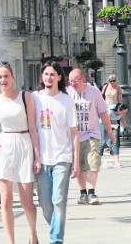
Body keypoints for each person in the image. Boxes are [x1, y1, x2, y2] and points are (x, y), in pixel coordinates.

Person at [0, 61, 40, 244]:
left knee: (27, 201)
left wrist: (37, 156)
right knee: (6, 200)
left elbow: (33, 128)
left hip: (24, 143)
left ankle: (33, 235)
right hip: (4, 147)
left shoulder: (26, 97)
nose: (3, 80)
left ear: (13, 77)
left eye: (6, 76)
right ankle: (11, 241)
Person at [32, 61, 79, 244]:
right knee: (45, 204)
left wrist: (76, 161)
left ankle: (55, 239)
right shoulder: (35, 98)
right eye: (46, 74)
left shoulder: (66, 100)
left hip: (62, 157)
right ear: (42, 77)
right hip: (41, 159)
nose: (49, 78)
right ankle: (55, 231)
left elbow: (74, 133)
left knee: (58, 200)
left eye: (52, 74)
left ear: (59, 77)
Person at [67, 68, 115, 206]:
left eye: (75, 80)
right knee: (80, 165)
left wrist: (109, 131)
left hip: (91, 133)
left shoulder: (94, 92)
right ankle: (83, 193)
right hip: (73, 135)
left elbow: (103, 112)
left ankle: (92, 192)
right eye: (70, 81)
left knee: (92, 163)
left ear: (83, 78)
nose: (72, 84)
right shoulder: (67, 92)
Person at [99, 103, 129, 168]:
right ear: (119, 110)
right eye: (123, 112)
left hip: (113, 124)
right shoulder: (110, 112)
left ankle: (117, 163)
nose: (124, 114)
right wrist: (113, 126)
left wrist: (126, 125)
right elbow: (106, 122)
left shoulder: (122, 113)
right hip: (103, 124)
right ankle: (98, 162)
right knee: (102, 142)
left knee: (115, 142)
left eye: (125, 112)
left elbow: (122, 118)